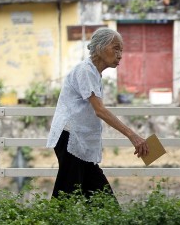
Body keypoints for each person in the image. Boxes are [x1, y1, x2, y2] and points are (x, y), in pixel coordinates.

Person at [46, 27, 148, 201]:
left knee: (101, 200)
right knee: (65, 200)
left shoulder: (93, 73)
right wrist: (133, 136)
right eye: (116, 48)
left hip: (80, 144)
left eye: (121, 50)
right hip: (71, 140)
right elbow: (99, 110)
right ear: (100, 48)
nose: (120, 55)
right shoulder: (85, 71)